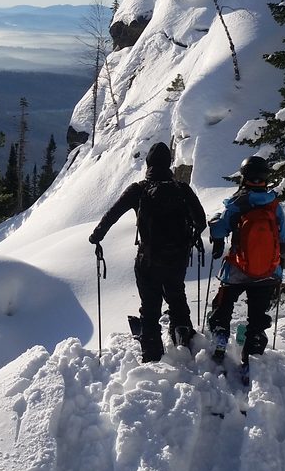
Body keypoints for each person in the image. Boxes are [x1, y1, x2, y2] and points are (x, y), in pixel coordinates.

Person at [88, 141, 207, 362]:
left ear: (148, 164)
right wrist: (187, 239)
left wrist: (96, 237)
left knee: (150, 307)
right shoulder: (182, 189)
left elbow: (112, 215)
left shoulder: (139, 190)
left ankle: (152, 354)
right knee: (177, 297)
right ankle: (183, 338)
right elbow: (201, 221)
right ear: (169, 164)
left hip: (148, 260)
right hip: (177, 259)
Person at [207, 154, 285, 365]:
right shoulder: (274, 204)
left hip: (238, 269)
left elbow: (221, 228)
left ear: (244, 177)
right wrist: (281, 263)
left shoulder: (237, 203)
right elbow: (284, 237)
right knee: (257, 315)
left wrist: (214, 225)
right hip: (268, 273)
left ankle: (220, 334)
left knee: (223, 304)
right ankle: (253, 350)